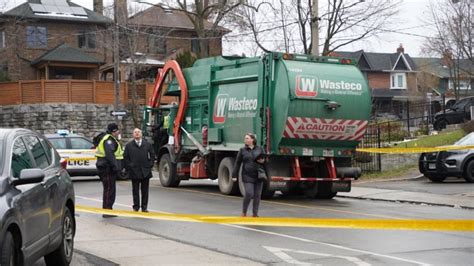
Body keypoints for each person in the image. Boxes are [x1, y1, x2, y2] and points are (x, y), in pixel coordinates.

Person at [232, 133, 266, 217]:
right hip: (247, 175)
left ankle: (255, 214)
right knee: (249, 193)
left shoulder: (260, 149)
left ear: (252, 140)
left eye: (247, 138)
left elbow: (266, 161)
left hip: (258, 175)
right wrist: (234, 175)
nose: (245, 140)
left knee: (257, 195)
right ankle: (244, 212)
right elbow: (237, 163)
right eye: (245, 138)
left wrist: (264, 161)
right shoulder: (242, 150)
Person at [95, 123, 124, 218]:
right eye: (116, 131)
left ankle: (109, 209)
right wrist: (115, 166)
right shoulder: (109, 141)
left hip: (107, 167)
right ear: (113, 131)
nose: (118, 132)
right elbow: (110, 155)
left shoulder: (110, 139)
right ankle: (107, 210)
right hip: (107, 168)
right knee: (109, 189)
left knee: (110, 189)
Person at [124, 128, 155, 212]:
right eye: (135, 132)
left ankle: (144, 207)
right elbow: (125, 158)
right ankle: (136, 206)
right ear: (133, 134)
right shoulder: (129, 145)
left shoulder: (147, 144)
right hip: (134, 171)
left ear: (141, 134)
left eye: (138, 132)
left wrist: (150, 165)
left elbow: (152, 155)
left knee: (145, 191)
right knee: (135, 190)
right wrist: (130, 166)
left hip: (145, 171)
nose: (137, 134)